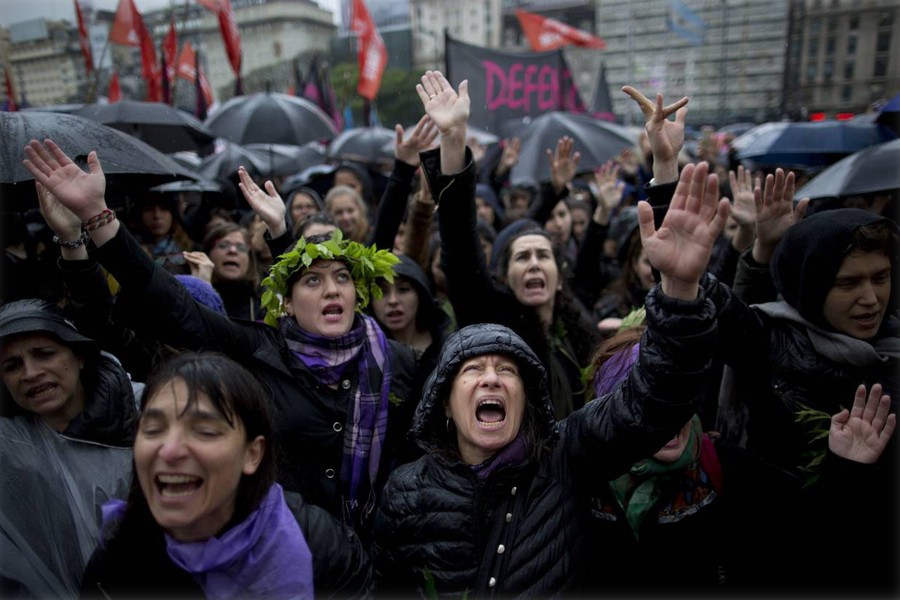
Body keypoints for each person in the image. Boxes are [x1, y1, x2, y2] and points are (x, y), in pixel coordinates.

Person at [370, 74, 731, 593]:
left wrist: (678, 284)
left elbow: (653, 399)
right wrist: (452, 145)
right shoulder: (406, 493)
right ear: (444, 402)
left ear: (531, 395)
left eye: (507, 371)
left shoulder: (565, 460)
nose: (491, 378)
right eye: (472, 370)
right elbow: (463, 258)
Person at [23, 139, 422, 545]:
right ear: (286, 304)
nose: (332, 290)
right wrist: (97, 217)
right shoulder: (261, 350)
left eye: (342, 278)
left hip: (377, 558)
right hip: (280, 548)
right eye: (314, 281)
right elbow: (177, 309)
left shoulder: (396, 361)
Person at [80, 351, 373, 598]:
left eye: (204, 431)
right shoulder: (118, 557)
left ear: (252, 454)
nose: (168, 451)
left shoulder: (322, 548)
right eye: (153, 430)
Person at [418, 73, 599, 419]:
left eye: (543, 255)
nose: (533, 263)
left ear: (559, 276)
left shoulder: (581, 330)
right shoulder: (493, 321)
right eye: (522, 257)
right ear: (504, 275)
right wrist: (453, 143)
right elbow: (459, 249)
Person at [0, 298, 136, 598]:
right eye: (12, 365)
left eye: (44, 354)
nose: (30, 373)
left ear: (80, 356)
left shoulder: (147, 412)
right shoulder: (8, 450)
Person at [583, 320, 726, 593]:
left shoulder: (719, 463)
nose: (665, 419)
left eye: (675, 399)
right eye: (646, 405)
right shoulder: (584, 475)